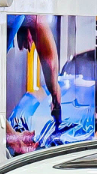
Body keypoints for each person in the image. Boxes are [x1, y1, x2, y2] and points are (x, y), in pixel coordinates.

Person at [5, 15, 62, 154]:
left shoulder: (12, 20)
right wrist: (55, 96)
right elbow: (51, 64)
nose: (30, 47)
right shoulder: (17, 16)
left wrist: (13, 135)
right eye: (34, 41)